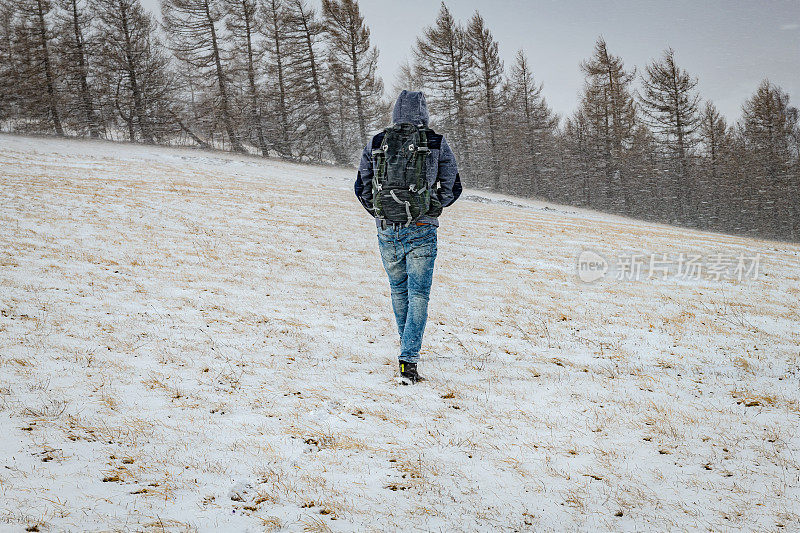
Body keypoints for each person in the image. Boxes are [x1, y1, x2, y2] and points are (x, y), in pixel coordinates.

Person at [354, 90, 461, 384]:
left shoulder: (377, 142)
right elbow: (453, 187)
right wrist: (431, 207)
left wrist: (382, 214)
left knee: (399, 291)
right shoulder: (436, 142)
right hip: (423, 228)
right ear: (424, 114)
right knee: (419, 294)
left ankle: (406, 351)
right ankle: (408, 360)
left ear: (395, 113)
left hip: (387, 229)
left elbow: (361, 187)